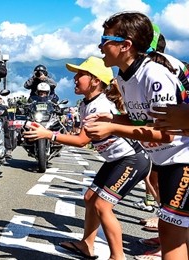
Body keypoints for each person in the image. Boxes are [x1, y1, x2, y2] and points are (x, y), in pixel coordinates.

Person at [82, 12, 189, 260]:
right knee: (173, 233)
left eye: (105, 39)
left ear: (126, 45)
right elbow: (143, 120)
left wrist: (113, 128)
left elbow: (166, 134)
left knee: (171, 237)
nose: (100, 46)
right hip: (166, 161)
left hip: (182, 159)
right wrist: (112, 119)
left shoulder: (154, 75)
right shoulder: (122, 76)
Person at [24, 56, 151, 260]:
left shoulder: (100, 105)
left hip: (132, 159)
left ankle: (117, 257)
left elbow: (82, 141)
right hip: (116, 160)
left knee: (102, 205)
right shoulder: (86, 104)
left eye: (80, 74)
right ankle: (86, 244)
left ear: (95, 80)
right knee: (90, 198)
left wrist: (49, 135)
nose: (75, 78)